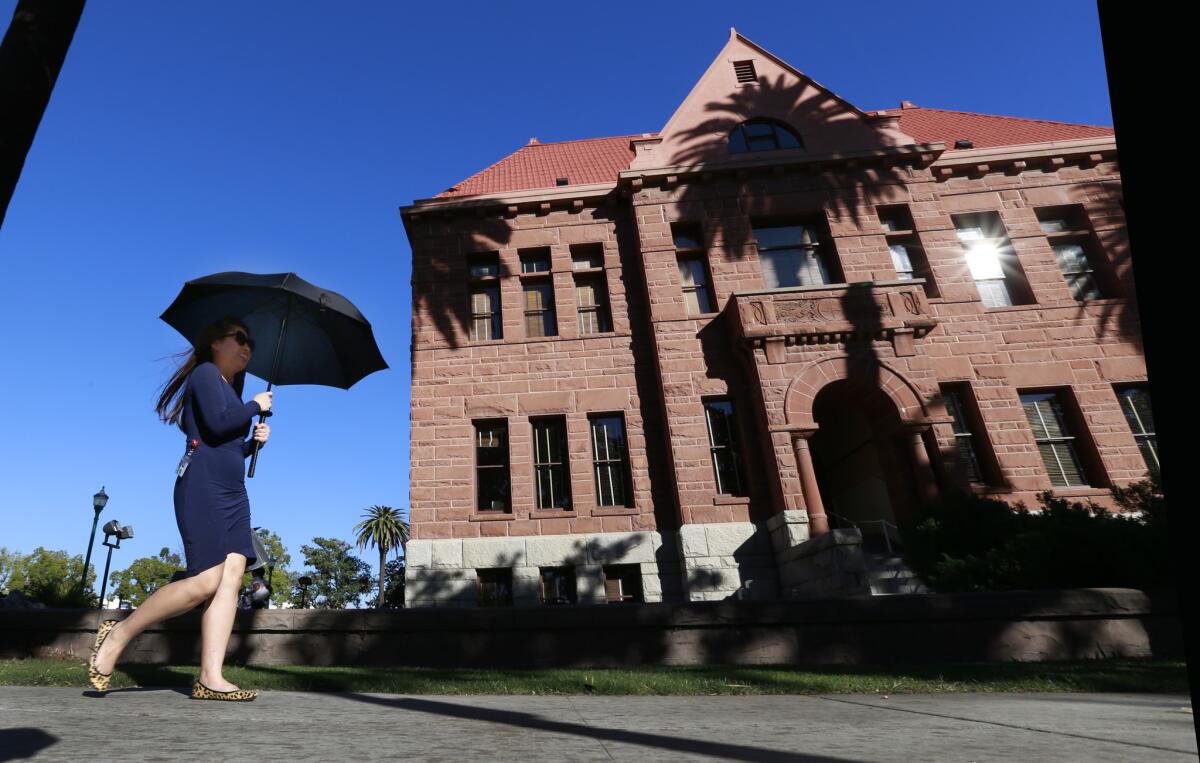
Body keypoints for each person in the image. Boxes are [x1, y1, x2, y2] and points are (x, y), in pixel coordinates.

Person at [87, 317, 272, 701]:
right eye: (239, 338)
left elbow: (226, 441)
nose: (247, 346)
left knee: (233, 576)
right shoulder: (205, 374)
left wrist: (254, 444)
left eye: (249, 341)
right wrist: (256, 405)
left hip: (234, 493)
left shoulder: (229, 390)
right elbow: (220, 426)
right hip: (202, 487)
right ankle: (118, 632)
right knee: (207, 579)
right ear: (215, 343)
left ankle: (210, 677)